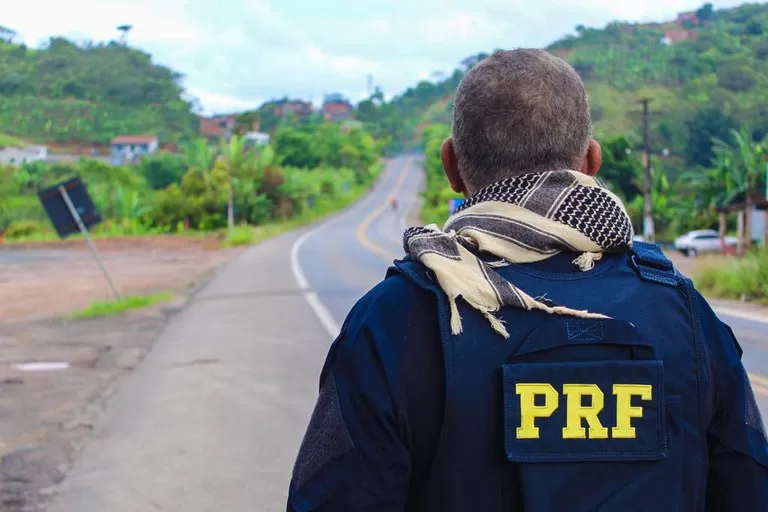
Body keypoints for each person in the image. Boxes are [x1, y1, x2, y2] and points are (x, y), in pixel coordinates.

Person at [287, 49, 768, 511]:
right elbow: (749, 488)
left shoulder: (392, 320)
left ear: (452, 166)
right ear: (591, 162)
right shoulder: (683, 310)